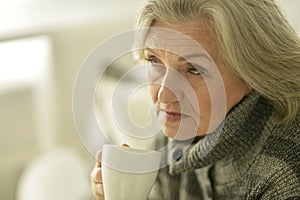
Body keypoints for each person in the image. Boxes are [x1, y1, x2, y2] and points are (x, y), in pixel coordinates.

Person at [91, 0, 300, 199]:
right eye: (154, 60)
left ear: (253, 71)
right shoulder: (177, 132)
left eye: (194, 69)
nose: (163, 95)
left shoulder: (283, 171)